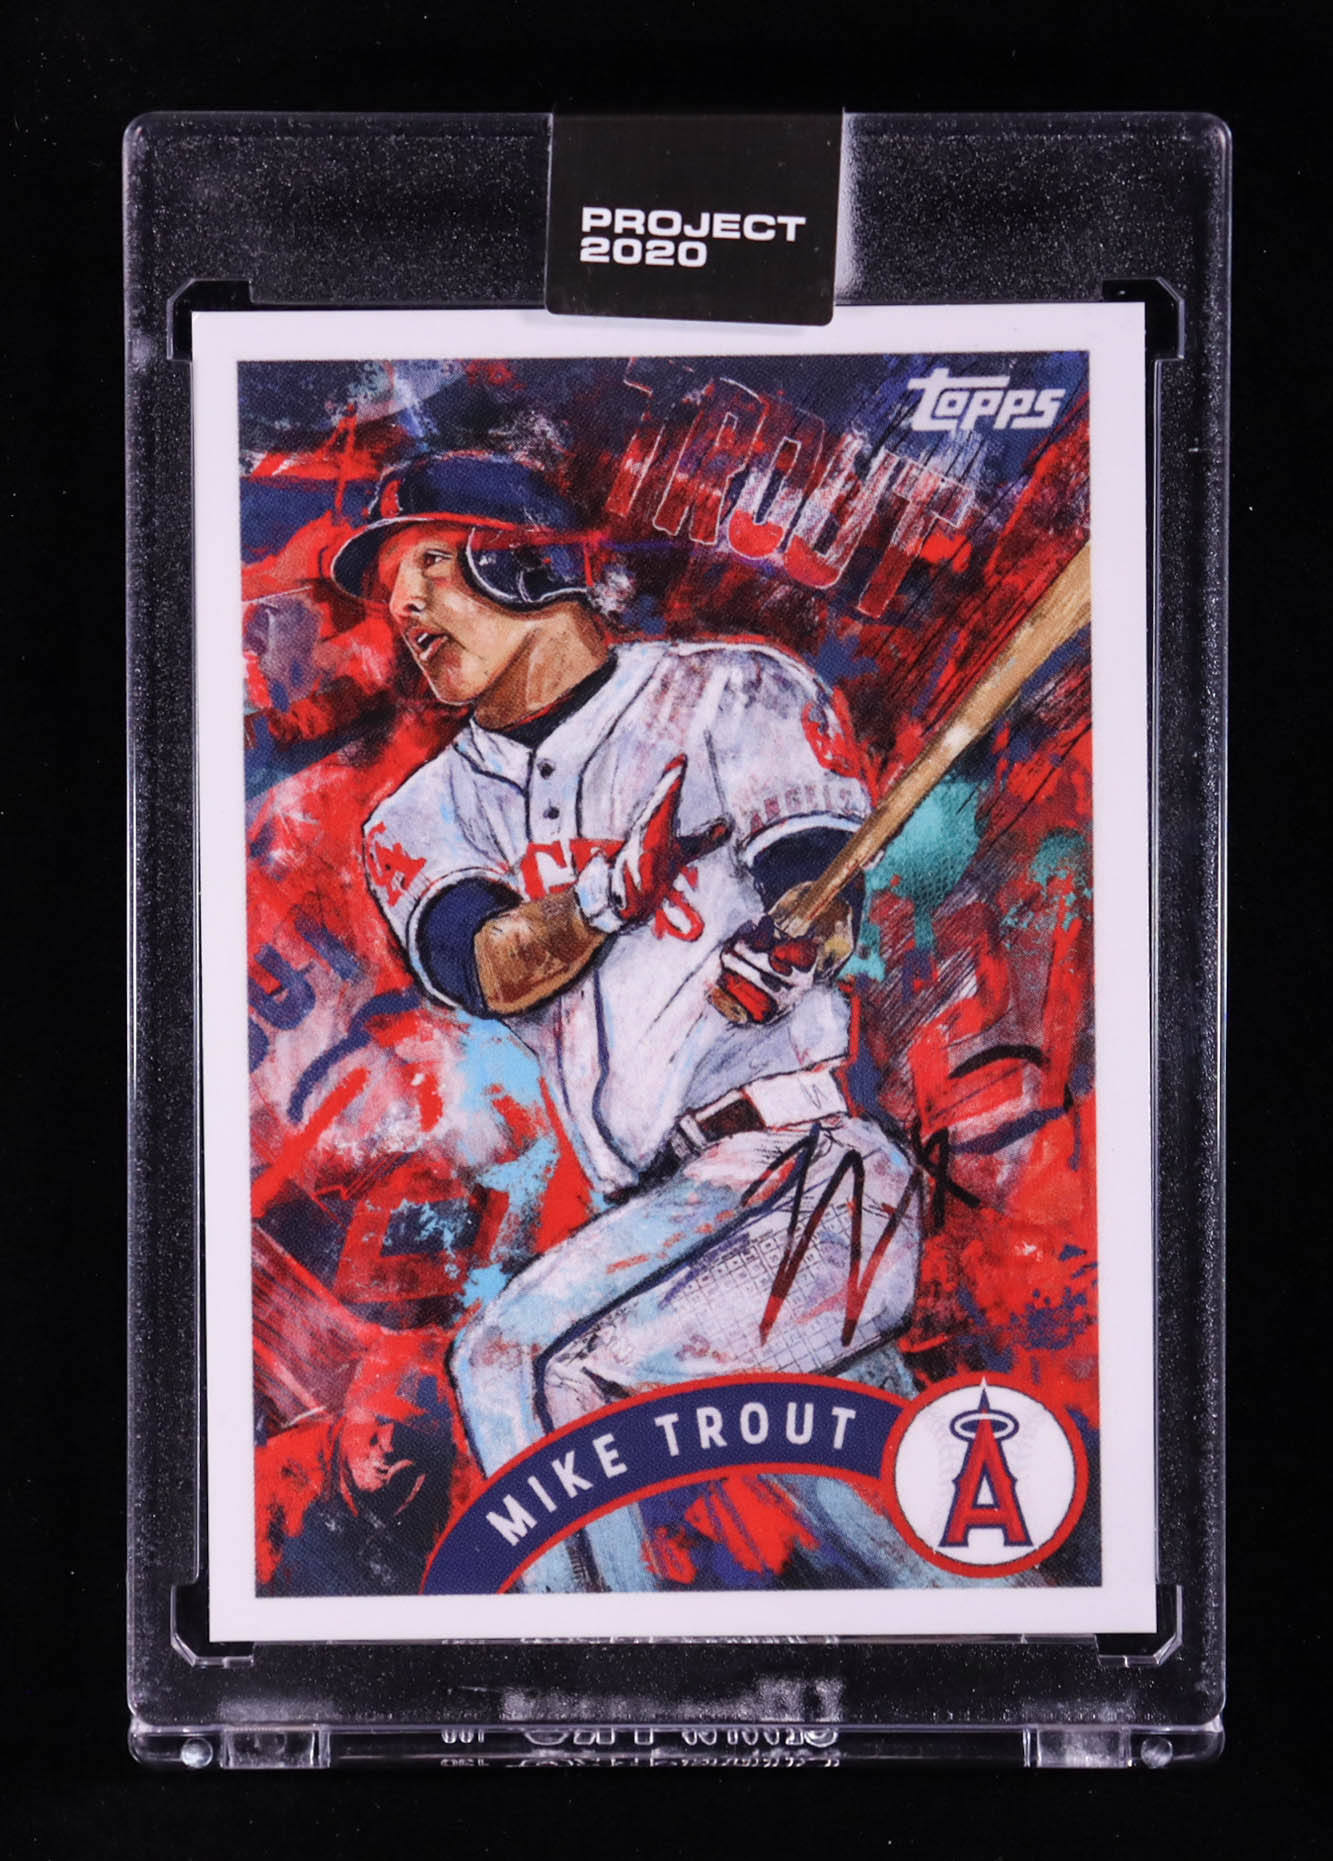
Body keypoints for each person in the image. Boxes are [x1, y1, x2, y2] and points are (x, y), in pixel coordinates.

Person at [332, 451, 926, 1591]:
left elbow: (822, 878)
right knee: (916, 1558)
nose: (402, 606)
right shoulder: (418, 811)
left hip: (805, 1177)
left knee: (523, 1361)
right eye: (392, 585)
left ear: (527, 562)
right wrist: (609, 895)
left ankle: (584, 1661)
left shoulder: (730, 689)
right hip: (663, 1224)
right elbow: (489, 965)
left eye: (432, 563)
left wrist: (798, 937)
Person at [256, 1337, 455, 1596]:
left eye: (409, 1434)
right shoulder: (271, 1481)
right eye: (381, 1418)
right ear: (350, 1409)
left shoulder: (428, 1495)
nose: (389, 1444)